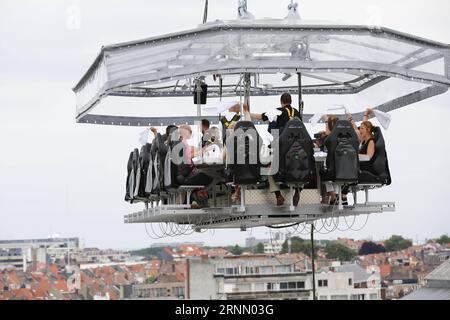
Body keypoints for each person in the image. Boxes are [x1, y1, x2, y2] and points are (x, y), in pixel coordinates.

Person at [230, 93, 301, 206]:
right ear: (291, 101)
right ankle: (297, 190)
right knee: (300, 167)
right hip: (296, 149)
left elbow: (260, 117)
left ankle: (278, 195)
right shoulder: (297, 113)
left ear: (281, 102)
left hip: (280, 149)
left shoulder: (277, 111)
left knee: (269, 168)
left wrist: (247, 112)